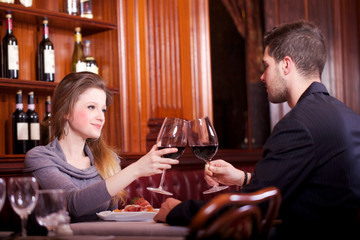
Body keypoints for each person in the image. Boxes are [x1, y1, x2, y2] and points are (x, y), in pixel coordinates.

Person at [154, 20, 360, 239]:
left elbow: (248, 209)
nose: (262, 76)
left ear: (286, 65)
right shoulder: (351, 117)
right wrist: (242, 178)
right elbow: (305, 188)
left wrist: (178, 211)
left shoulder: (298, 124)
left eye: (266, 65)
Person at [24, 72, 179, 222]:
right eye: (91, 107)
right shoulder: (39, 157)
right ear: (65, 111)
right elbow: (73, 205)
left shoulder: (109, 160)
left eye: (103, 109)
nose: (101, 117)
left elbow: (109, 217)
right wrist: (136, 169)